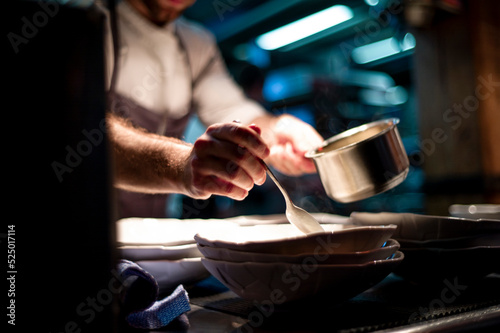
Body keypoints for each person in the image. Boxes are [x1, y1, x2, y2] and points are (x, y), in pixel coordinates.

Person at [104, 0, 324, 218]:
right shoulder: (87, 21)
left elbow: (232, 109)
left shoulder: (196, 43)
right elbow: (79, 132)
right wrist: (179, 165)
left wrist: (276, 131)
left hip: (151, 231)